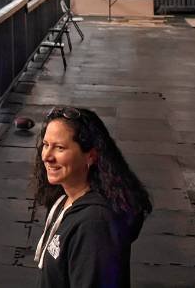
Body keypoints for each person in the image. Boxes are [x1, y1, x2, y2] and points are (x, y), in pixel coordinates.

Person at [33, 106, 152, 288]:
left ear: (91, 156)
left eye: (59, 148)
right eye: (46, 145)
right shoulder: (64, 200)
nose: (47, 156)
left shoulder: (94, 224)